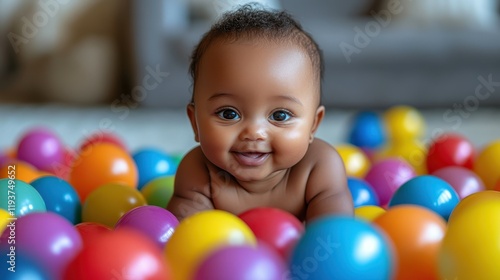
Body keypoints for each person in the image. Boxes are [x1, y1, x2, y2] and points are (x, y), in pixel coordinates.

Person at [167, 4, 353, 223]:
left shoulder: (319, 167)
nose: (254, 132)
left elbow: (334, 234)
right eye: (229, 114)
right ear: (195, 123)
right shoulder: (199, 171)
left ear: (313, 125)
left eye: (280, 115)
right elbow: (188, 236)